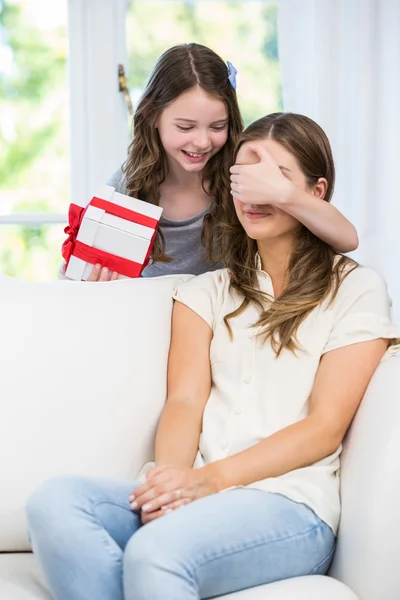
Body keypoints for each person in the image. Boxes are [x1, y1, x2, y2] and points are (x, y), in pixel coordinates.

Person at [27, 112, 399, 599]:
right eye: (245, 176)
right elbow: (184, 402)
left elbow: (324, 426)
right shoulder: (205, 293)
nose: (255, 193)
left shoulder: (355, 288)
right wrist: (172, 480)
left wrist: (207, 482)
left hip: (286, 503)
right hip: (195, 491)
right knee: (55, 504)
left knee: (156, 551)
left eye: (277, 176)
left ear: (316, 190)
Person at [60, 43, 358, 282]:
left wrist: (283, 192)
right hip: (153, 327)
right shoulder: (130, 184)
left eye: (217, 127)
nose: (202, 142)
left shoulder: (243, 174)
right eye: (186, 128)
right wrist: (94, 286)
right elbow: (74, 278)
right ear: (152, 116)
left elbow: (347, 239)